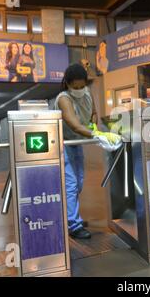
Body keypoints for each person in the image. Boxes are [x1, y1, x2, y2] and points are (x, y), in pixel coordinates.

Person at [55, 64, 98, 239]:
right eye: (76, 87)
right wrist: (97, 135)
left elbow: (93, 113)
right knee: (71, 184)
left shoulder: (87, 93)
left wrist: (94, 126)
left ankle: (67, 214)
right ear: (68, 84)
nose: (80, 90)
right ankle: (73, 224)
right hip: (63, 144)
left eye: (82, 86)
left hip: (77, 143)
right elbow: (74, 124)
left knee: (79, 182)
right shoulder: (63, 98)